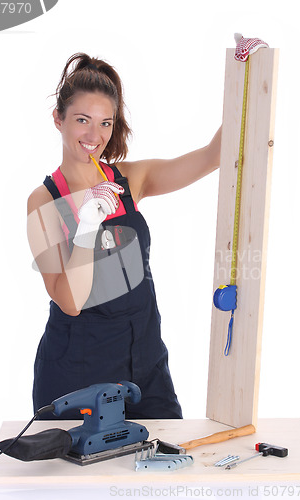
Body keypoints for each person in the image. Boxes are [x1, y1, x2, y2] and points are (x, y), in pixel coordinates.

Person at [27, 52, 221, 420]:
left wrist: (247, 75)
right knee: (83, 477)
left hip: (146, 366)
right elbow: (69, 301)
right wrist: (85, 226)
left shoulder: (129, 181)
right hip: (77, 375)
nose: (94, 135)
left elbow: (215, 155)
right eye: (82, 120)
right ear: (58, 119)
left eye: (105, 123)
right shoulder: (44, 201)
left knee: (166, 471)